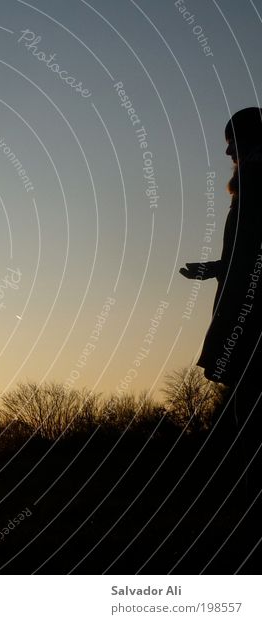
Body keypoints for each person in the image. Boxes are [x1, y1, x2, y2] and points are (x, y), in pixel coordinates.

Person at [181, 107, 262, 511]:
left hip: (253, 321)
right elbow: (245, 254)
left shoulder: (256, 179)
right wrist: (218, 267)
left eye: (231, 139)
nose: (228, 149)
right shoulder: (251, 181)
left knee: (251, 417)